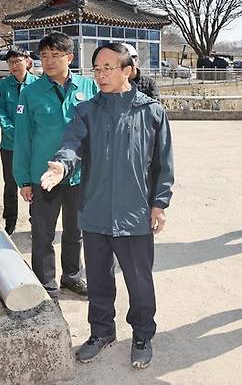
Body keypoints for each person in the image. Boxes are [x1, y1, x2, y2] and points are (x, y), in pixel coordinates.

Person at [39, 42, 174, 369]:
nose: (99, 74)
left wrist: (159, 204)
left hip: (135, 215)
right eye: (96, 68)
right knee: (98, 280)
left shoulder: (152, 112)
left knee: (139, 281)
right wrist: (61, 164)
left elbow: (163, 166)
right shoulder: (87, 110)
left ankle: (142, 334)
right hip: (96, 212)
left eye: (108, 68)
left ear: (127, 70)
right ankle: (101, 332)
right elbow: (72, 143)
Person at [13, 32, 98, 299]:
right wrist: (24, 180)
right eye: (43, 56)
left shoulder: (89, 88)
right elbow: (23, 138)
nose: (48, 61)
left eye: (55, 55)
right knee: (42, 234)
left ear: (69, 58)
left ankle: (72, 276)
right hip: (43, 176)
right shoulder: (31, 92)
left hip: (79, 176)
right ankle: (46, 284)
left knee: (76, 231)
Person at [0, 46, 36, 235]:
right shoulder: (2, 87)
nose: (14, 66)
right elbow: (1, 114)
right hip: (10, 145)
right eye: (10, 62)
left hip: (35, 146)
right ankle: (10, 222)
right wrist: (16, 135)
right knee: (10, 184)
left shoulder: (39, 85)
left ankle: (37, 219)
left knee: (35, 183)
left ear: (27, 61)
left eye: (18, 61)